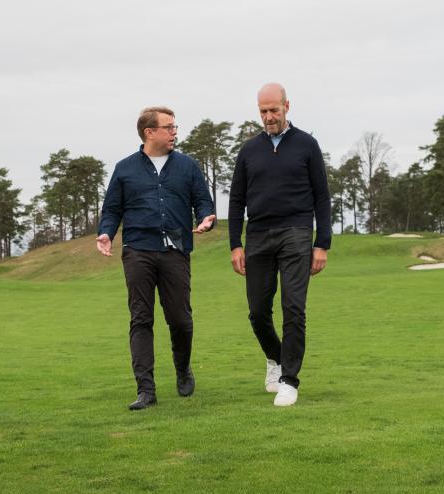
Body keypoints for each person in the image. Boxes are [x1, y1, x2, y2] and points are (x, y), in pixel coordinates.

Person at [97, 106, 217, 411]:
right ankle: (145, 390)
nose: (175, 132)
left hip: (176, 250)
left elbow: (203, 201)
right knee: (141, 318)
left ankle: (182, 368)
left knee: (181, 319)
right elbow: (112, 209)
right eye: (169, 127)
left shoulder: (188, 167)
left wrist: (206, 218)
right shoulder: (124, 169)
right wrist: (106, 233)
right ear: (150, 132)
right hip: (138, 250)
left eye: (175, 126)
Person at [228, 83, 332, 407]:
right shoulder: (248, 150)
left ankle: (289, 380)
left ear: (288, 106)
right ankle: (275, 358)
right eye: (263, 112)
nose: (269, 117)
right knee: (258, 312)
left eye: (274, 110)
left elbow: (322, 197)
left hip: (296, 232)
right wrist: (235, 244)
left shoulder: (307, 145)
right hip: (258, 234)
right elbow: (236, 200)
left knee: (293, 307)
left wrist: (321, 244)